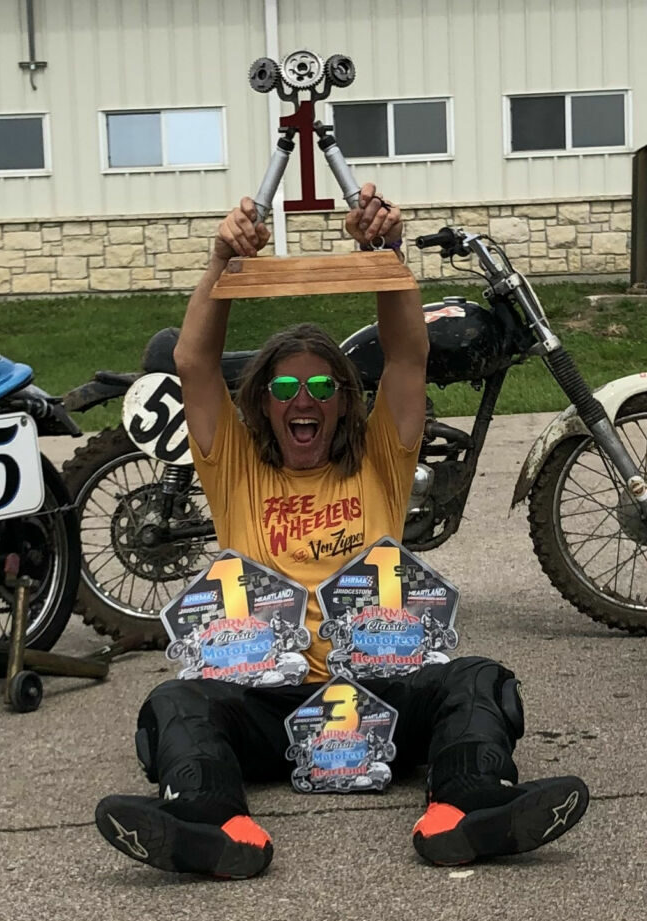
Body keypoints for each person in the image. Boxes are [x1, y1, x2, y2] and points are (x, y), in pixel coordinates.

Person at [93, 185, 588, 879]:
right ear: (262, 404)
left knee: (478, 679)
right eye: (287, 390)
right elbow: (194, 364)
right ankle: (209, 822)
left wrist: (385, 256)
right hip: (266, 698)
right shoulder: (234, 467)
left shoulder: (381, 459)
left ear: (346, 404)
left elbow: (408, 357)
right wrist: (222, 260)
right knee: (175, 701)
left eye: (324, 390)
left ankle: (468, 808)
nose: (304, 402)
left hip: (376, 690)